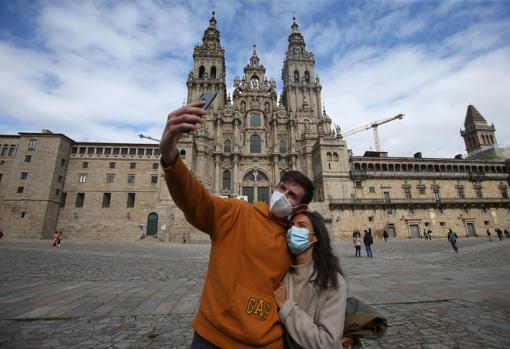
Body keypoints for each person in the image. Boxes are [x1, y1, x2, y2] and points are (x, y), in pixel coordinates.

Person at [159, 101, 315, 349]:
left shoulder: (301, 239)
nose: (282, 196)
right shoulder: (236, 213)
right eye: (281, 188)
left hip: (268, 343)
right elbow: (195, 200)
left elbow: (318, 288)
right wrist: (169, 154)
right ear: (273, 187)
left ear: (301, 208)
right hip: (213, 338)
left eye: (292, 195)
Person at [274, 211, 347, 349]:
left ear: (315, 237)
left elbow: (326, 343)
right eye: (291, 226)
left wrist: (286, 307)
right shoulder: (278, 272)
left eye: (301, 226)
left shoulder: (332, 283)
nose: (293, 230)